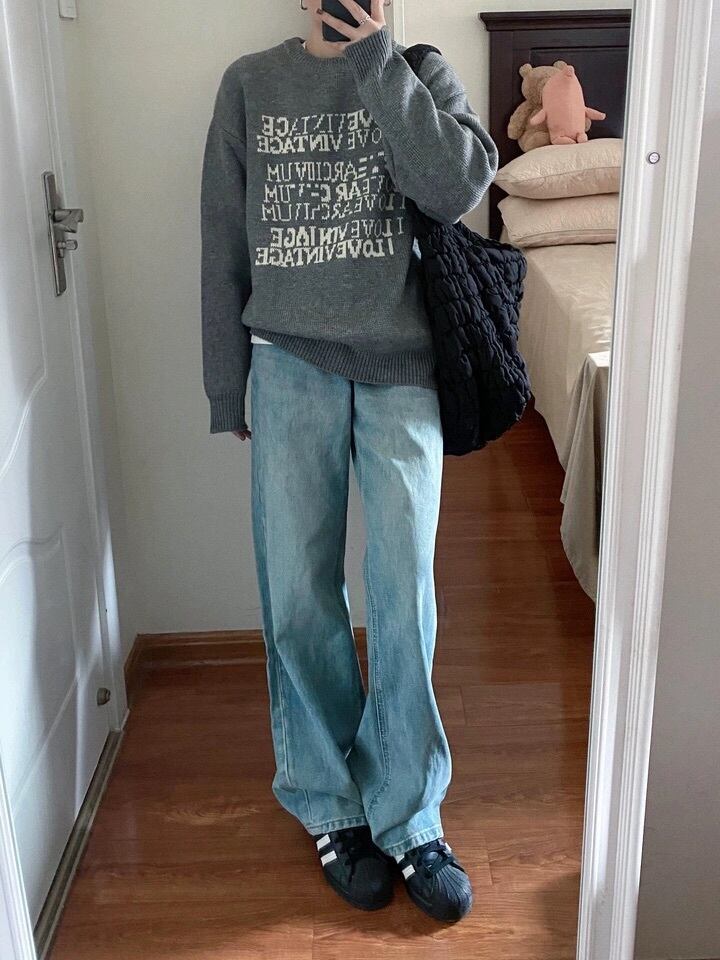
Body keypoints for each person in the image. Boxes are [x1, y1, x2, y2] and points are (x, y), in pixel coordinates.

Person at [200, 0, 498, 923]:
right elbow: (222, 241)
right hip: (288, 365)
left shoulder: (420, 71)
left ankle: (411, 814)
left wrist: (376, 62)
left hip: (403, 370)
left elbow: (457, 187)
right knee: (298, 591)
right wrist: (226, 386)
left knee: (405, 592)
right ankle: (328, 801)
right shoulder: (251, 85)